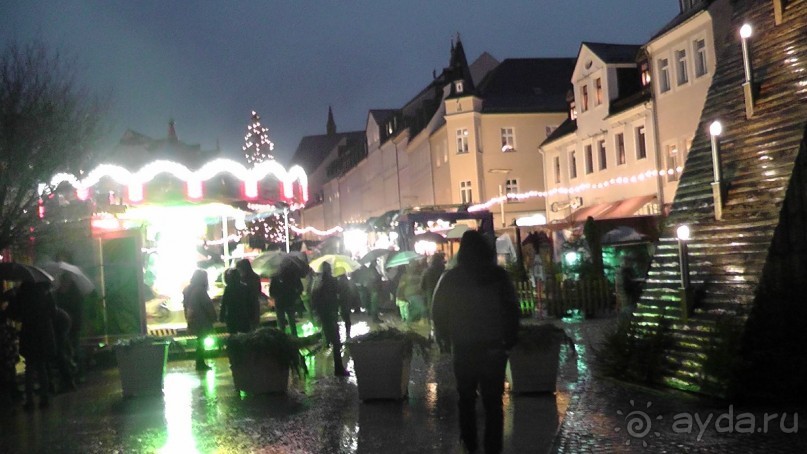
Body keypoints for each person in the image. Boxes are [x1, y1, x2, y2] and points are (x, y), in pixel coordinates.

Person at [432, 230, 520, 454]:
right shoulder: (498, 276)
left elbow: (438, 310)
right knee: (493, 404)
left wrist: (444, 337)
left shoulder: (451, 278)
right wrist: (509, 339)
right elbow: (511, 309)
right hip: (493, 346)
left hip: (464, 347)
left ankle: (471, 446)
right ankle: (493, 449)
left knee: (466, 400)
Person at [8, 282, 59, 410]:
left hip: (29, 333)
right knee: (41, 366)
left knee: (29, 367)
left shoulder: (22, 294)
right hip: (43, 333)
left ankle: (30, 400)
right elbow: (53, 312)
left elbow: (13, 313)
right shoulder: (45, 293)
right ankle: (44, 398)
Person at [310, 262, 349, 376]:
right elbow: (337, 295)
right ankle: (338, 368)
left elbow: (314, 297)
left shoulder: (317, 281)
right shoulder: (331, 281)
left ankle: (327, 346)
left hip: (323, 313)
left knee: (330, 336)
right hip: (330, 313)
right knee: (336, 341)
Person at [183, 269, 217, 371]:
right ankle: (200, 363)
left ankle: (200, 362)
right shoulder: (200, 291)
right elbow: (207, 305)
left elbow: (187, 306)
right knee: (201, 342)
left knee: (200, 341)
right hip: (201, 320)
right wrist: (213, 317)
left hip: (193, 319)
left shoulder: (188, 290)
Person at [269, 267, 302, 337]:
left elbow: (271, 292)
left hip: (280, 303)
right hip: (289, 302)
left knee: (281, 323)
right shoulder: (292, 276)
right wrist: (295, 295)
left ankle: (282, 339)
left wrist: (276, 296)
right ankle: (294, 338)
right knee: (292, 322)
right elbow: (300, 288)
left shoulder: (275, 278)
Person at [219, 268, 251, 334]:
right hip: (243, 315)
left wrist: (221, 316)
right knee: (245, 335)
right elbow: (249, 302)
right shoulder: (245, 287)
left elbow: (224, 303)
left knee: (233, 335)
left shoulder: (228, 288)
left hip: (232, 315)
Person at [420, 252, 446, 332]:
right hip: (443, 296)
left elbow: (422, 286)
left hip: (430, 296)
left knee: (432, 315)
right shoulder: (444, 271)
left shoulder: (427, 271)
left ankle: (433, 332)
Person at [235, 259, 262, 330]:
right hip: (255, 304)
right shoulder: (256, 277)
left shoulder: (241, 279)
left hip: (246, 306)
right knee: (255, 326)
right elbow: (258, 291)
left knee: (247, 327)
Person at [336, 274, 359, 339]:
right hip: (347, 302)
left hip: (343, 302)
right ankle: (348, 334)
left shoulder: (340, 282)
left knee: (345, 318)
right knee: (347, 319)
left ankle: (347, 334)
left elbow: (338, 291)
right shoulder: (347, 281)